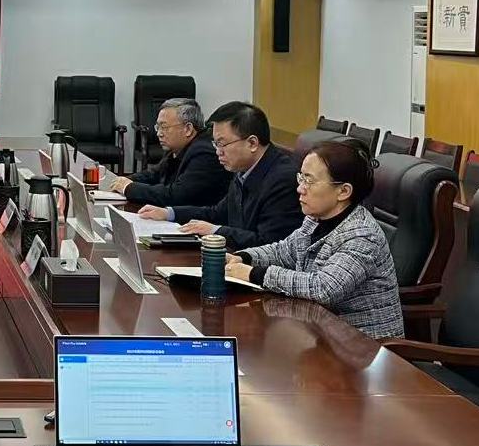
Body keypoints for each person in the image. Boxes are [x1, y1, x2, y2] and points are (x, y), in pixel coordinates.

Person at [223, 138, 404, 339]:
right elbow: (283, 251)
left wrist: (253, 274)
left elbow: (323, 288)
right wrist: (243, 257)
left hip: (364, 346)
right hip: (319, 333)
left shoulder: (361, 234)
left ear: (343, 191)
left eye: (309, 181)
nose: (300, 188)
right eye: (301, 178)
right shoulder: (316, 218)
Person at [137, 101, 302, 249]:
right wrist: (168, 213)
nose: (218, 152)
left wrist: (216, 231)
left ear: (252, 143)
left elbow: (269, 243)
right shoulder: (244, 168)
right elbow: (217, 213)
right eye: (215, 144)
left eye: (222, 144)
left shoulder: (282, 179)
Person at [107, 99, 227, 209]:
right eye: (157, 127)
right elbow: (155, 174)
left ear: (188, 129)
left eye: (164, 127)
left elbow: (176, 196)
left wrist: (128, 188)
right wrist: (125, 180)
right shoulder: (177, 146)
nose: (159, 133)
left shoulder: (204, 153)